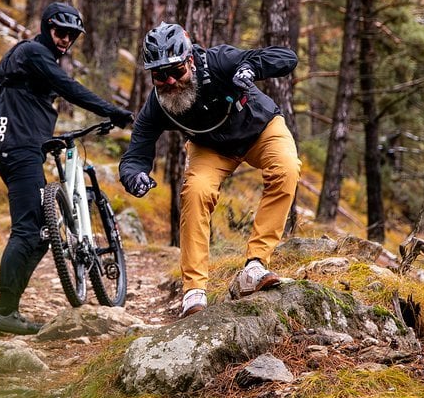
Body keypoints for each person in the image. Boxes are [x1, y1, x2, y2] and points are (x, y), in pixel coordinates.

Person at [119, 22, 300, 317]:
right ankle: (193, 291)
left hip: (260, 129)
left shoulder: (219, 61)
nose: (170, 82)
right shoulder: (158, 105)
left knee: (287, 169)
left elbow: (286, 58)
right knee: (195, 192)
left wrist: (250, 69)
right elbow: (135, 154)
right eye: (159, 76)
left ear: (190, 60)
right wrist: (134, 176)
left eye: (176, 71)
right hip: (211, 148)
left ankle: (255, 265)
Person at [0, 2, 133, 335]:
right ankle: (5, 312)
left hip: (17, 148)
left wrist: (3, 124)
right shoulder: (35, 53)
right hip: (20, 151)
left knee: (40, 233)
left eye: (72, 35)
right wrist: (113, 112)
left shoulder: (22, 55)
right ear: (46, 28)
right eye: (60, 32)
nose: (66, 40)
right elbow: (68, 88)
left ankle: (9, 310)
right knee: (27, 231)